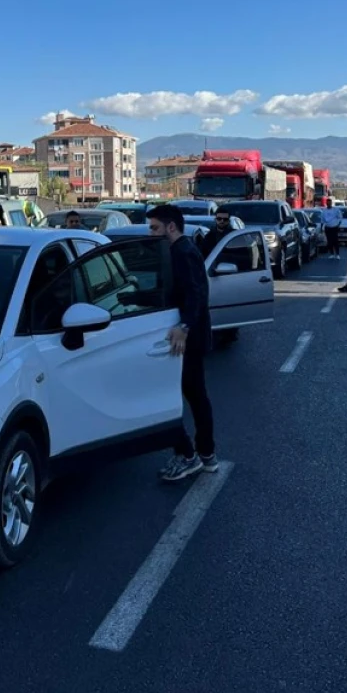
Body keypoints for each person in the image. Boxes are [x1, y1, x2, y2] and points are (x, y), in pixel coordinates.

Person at [146, 203, 218, 483]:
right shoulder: (176, 250)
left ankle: (190, 456)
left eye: (155, 228)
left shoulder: (183, 252)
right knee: (194, 396)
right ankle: (205, 455)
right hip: (189, 337)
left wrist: (184, 327)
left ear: (170, 227)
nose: (151, 233)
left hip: (187, 340)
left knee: (175, 397)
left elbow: (196, 294)